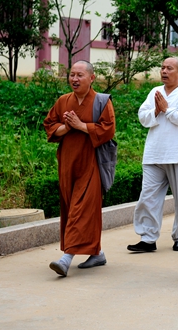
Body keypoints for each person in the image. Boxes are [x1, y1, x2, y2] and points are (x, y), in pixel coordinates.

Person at [43, 60, 115, 277]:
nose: (74, 79)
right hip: (67, 163)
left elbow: (108, 129)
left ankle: (67, 258)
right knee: (71, 207)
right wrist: (66, 127)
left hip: (91, 163)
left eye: (79, 75)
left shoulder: (101, 102)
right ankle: (97, 253)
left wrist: (82, 126)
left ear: (91, 78)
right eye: (72, 75)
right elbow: (49, 124)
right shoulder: (63, 101)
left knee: (80, 209)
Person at [127, 58, 178, 253]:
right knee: (148, 196)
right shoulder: (154, 92)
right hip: (154, 152)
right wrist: (156, 110)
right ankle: (148, 238)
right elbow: (143, 117)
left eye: (169, 68)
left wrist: (167, 110)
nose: (164, 71)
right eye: (162, 68)